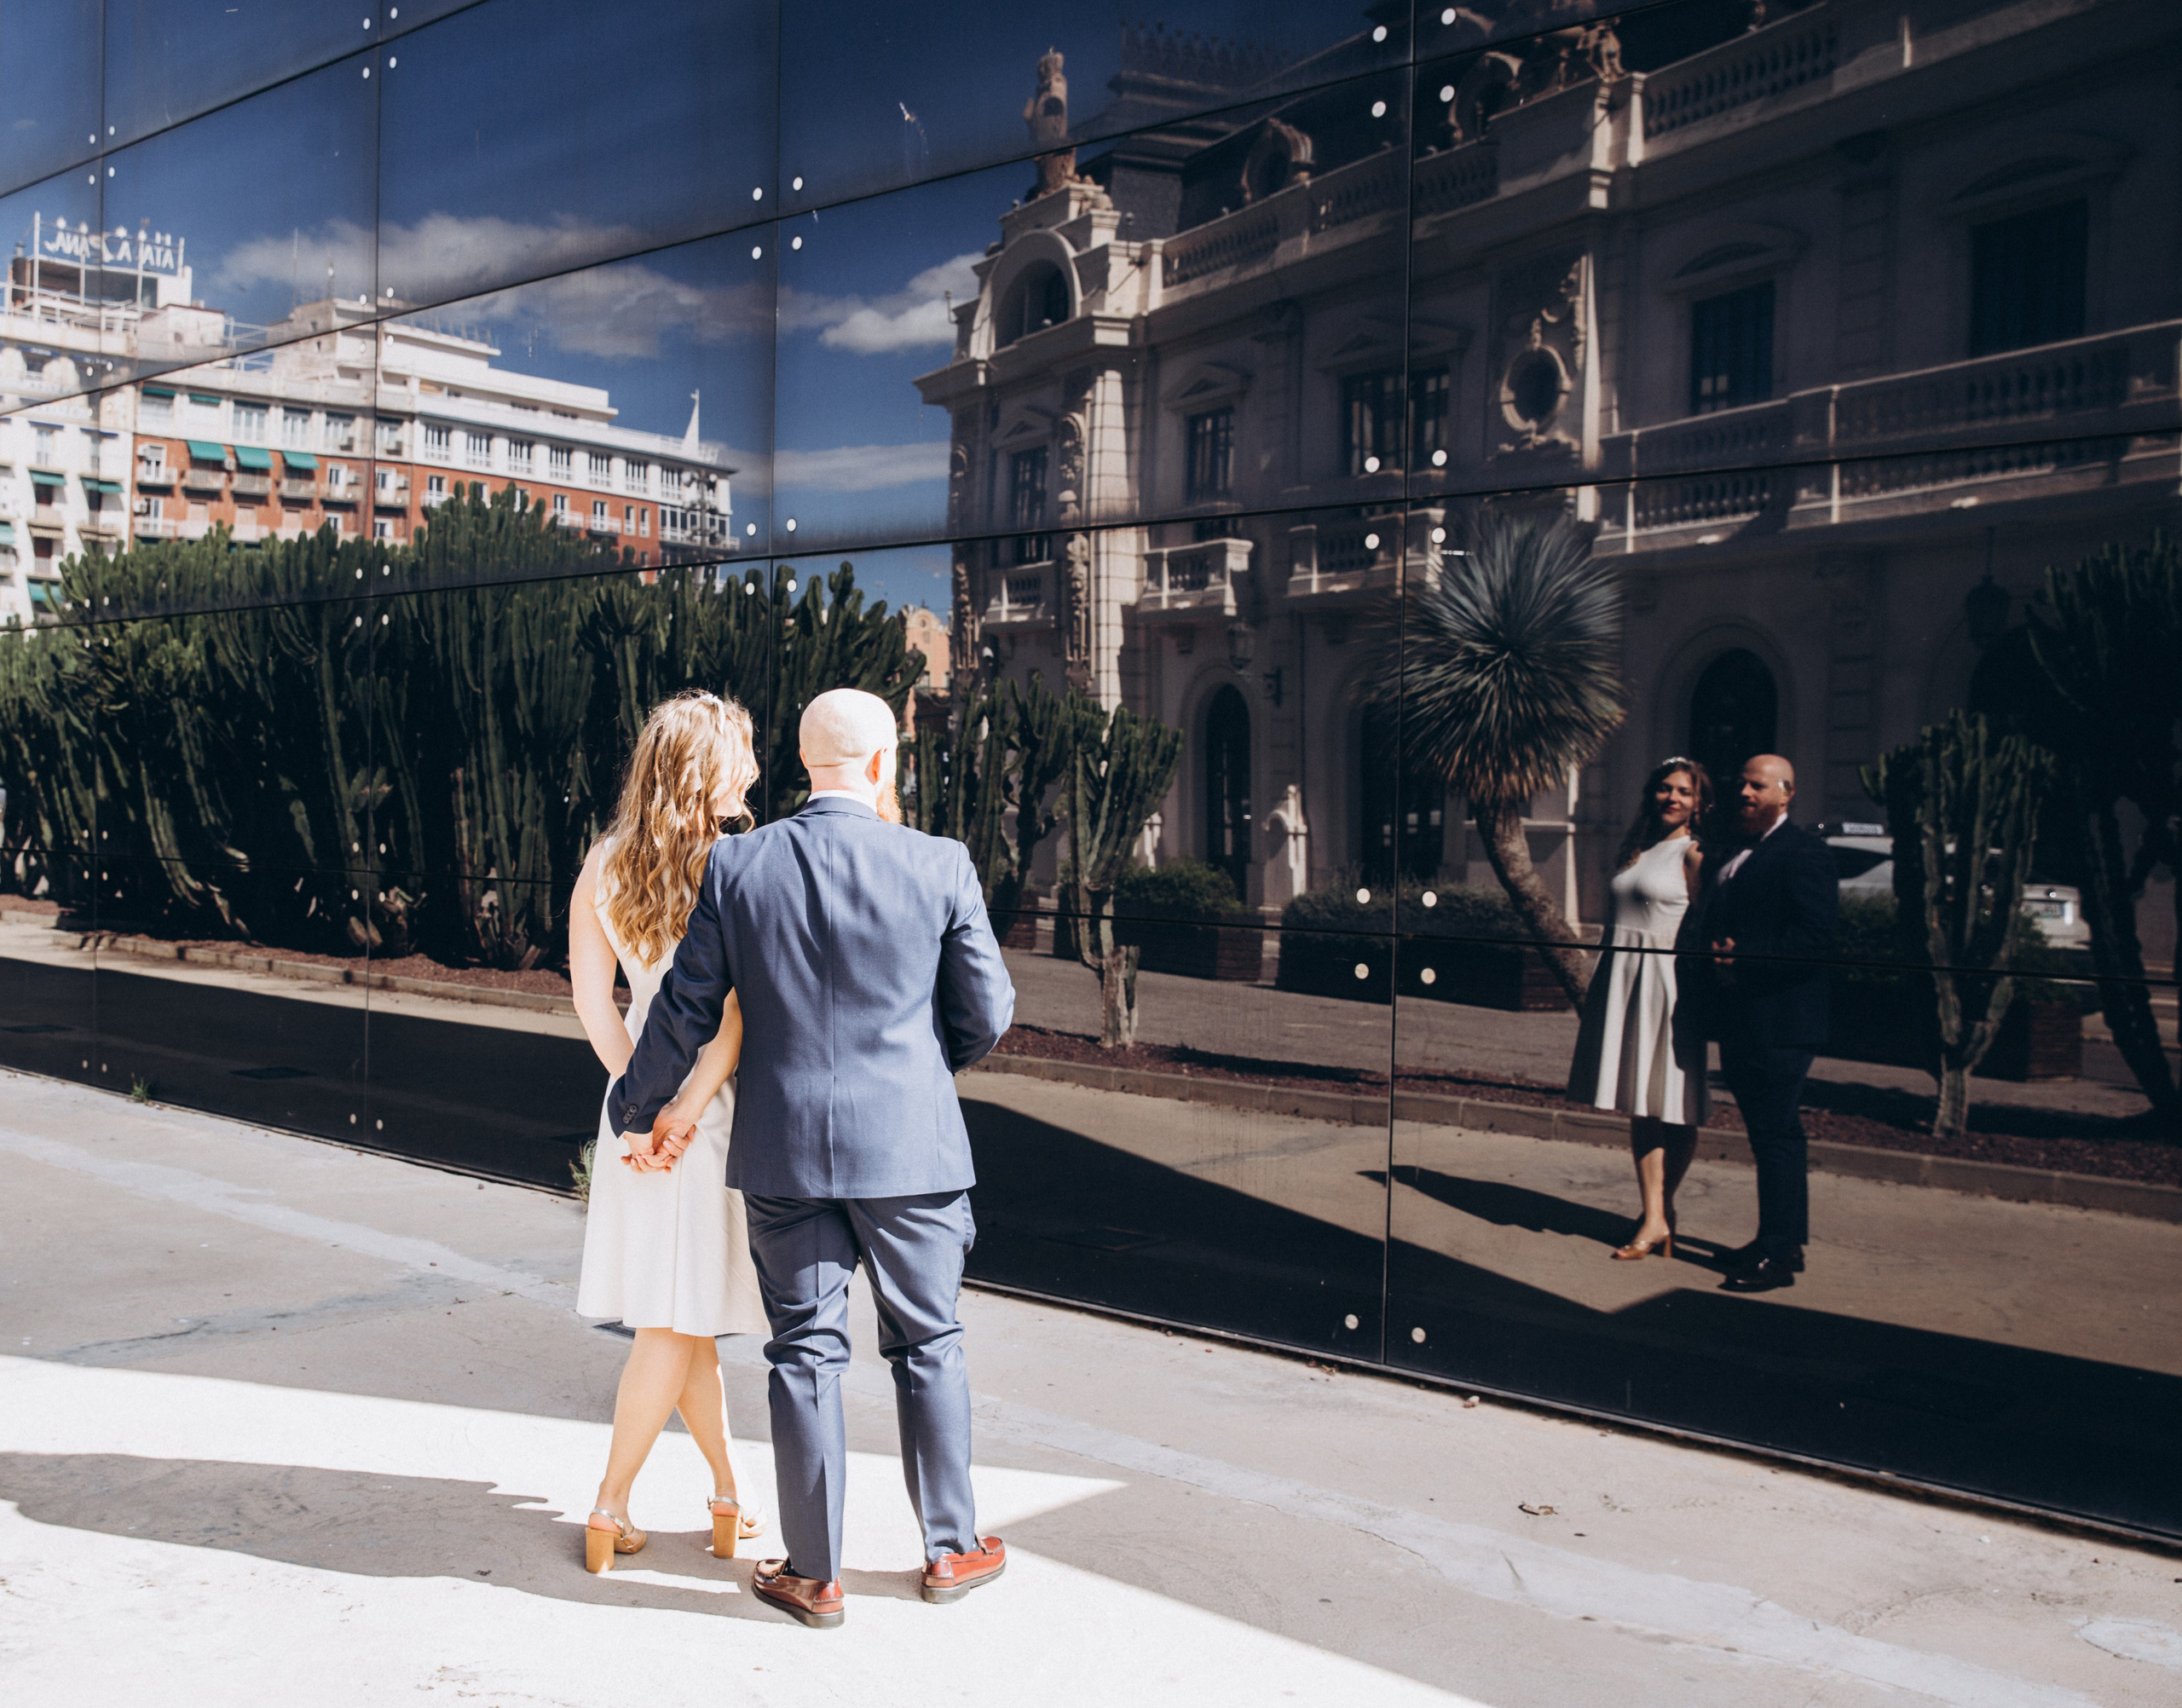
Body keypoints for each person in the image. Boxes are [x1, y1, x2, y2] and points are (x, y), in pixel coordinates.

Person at [608, 686, 1017, 1630]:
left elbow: (685, 1011)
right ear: (883, 765)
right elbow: (986, 1014)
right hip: (913, 1153)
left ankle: (815, 1574)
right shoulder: (941, 863)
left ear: (805, 765)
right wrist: (919, 1072)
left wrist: (637, 1107)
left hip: (784, 1150)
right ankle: (951, 1551)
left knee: (805, 1354)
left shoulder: (742, 865)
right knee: (930, 1343)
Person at [569, 690, 770, 1574]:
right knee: (670, 1323)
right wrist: (683, 1113)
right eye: (743, 756)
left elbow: (590, 999)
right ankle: (610, 1507)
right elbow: (733, 1017)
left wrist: (635, 1106)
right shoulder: (734, 865)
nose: (756, 772)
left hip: (631, 1114)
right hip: (706, 1114)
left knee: (678, 1316)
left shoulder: (602, 862)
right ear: (706, 772)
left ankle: (729, 1491)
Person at [1687, 753, 1838, 1293]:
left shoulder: (1804, 853)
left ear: (1786, 793)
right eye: (1742, 784)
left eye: (1758, 786)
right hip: (1743, 1018)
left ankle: (1776, 1256)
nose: (1746, 793)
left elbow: (1817, 939)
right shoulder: (1737, 851)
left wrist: (1745, 958)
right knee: (1772, 1135)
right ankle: (1782, 1241)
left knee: (1775, 1136)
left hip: (1782, 1021)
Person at [1567, 758, 1712, 1261]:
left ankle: (1657, 1215)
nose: (1673, 798)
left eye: (1684, 792)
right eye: (1665, 789)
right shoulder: (1638, 849)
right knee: (1640, 1102)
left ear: (1699, 803)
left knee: (1675, 1102)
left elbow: (1704, 927)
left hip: (1668, 987)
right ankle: (1655, 1215)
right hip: (1624, 982)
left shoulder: (1694, 855)